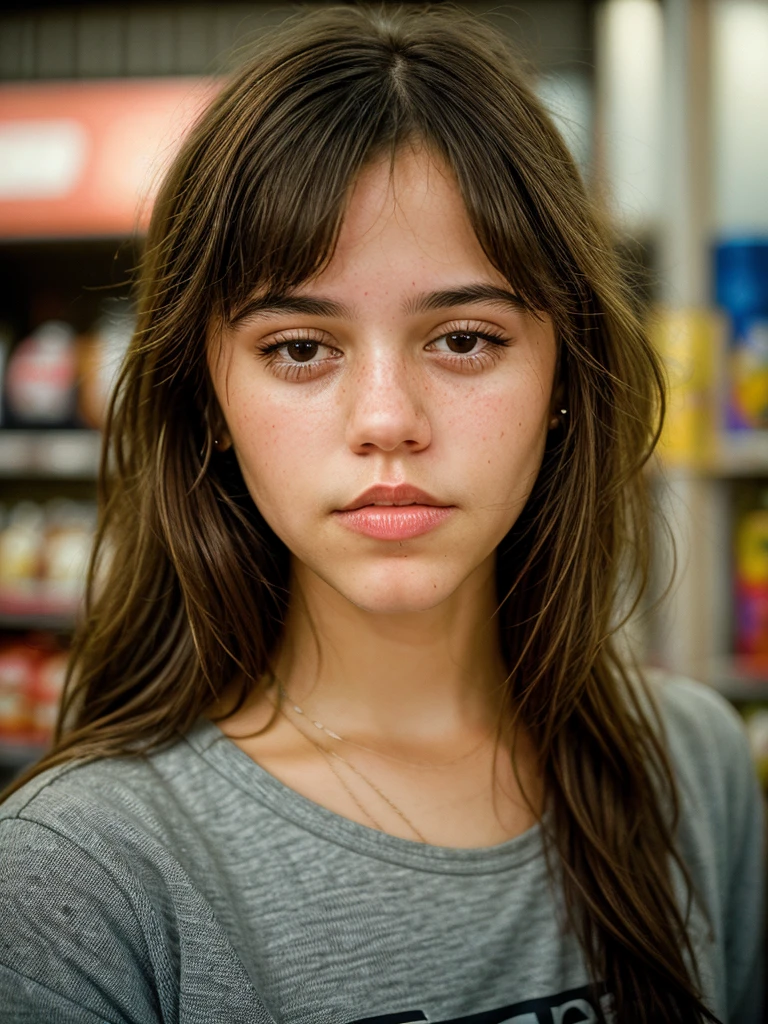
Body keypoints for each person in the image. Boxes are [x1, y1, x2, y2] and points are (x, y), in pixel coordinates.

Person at [0, 6, 763, 1023]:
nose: (388, 422)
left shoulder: (690, 765)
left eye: (463, 339)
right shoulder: (84, 870)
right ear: (211, 404)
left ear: (564, 373)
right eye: (301, 350)